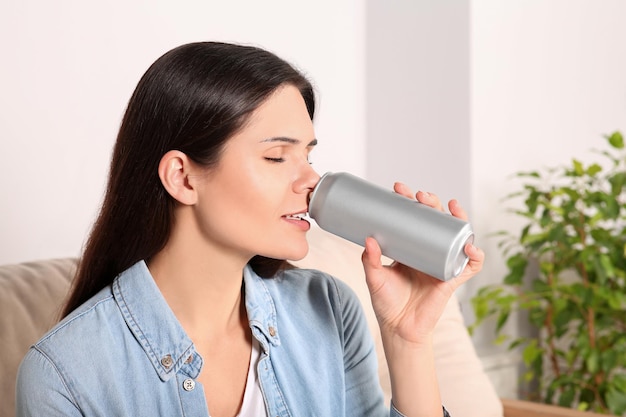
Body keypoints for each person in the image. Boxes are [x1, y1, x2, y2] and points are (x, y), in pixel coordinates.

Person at [16, 41, 484, 417]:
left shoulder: (329, 310)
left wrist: (407, 340)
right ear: (182, 177)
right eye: (277, 157)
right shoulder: (65, 373)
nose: (311, 181)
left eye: (309, 156)